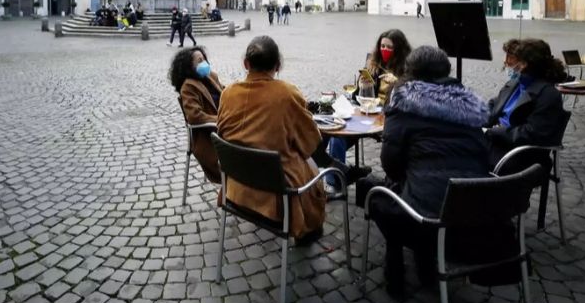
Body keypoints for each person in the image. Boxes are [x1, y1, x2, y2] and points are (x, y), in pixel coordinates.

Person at [369, 46, 490, 298]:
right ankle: (424, 268)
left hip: (427, 222)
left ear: (409, 71)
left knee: (379, 195)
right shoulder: (469, 106)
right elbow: (483, 155)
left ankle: (396, 274)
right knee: (416, 188)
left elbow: (390, 164)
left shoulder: (404, 104)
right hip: (479, 214)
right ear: (446, 71)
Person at [217, 36, 326, 244]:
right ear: (277, 65)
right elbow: (310, 142)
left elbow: (222, 132)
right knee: (311, 167)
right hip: (276, 194)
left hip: (236, 188)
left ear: (246, 64)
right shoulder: (287, 94)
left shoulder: (228, 94)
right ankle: (308, 231)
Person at [328, 30, 412, 171]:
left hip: (392, 116)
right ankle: (338, 180)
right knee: (337, 136)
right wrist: (363, 87)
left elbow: (413, 97)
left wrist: (398, 83)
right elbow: (359, 97)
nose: (385, 50)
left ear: (399, 49)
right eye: (382, 46)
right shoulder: (374, 63)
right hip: (369, 113)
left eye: (389, 47)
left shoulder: (408, 67)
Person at [485, 38, 570, 165]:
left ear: (525, 64)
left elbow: (531, 134)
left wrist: (495, 132)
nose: (508, 64)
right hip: (495, 141)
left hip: (514, 154)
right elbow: (494, 104)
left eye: (515, 60)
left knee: (458, 155)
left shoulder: (548, 95)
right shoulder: (514, 83)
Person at [170, 47, 224, 184]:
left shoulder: (211, 76)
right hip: (208, 136)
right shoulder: (188, 86)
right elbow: (195, 116)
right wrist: (222, 120)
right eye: (199, 61)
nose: (204, 62)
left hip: (222, 126)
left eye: (204, 59)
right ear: (189, 67)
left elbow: (225, 92)